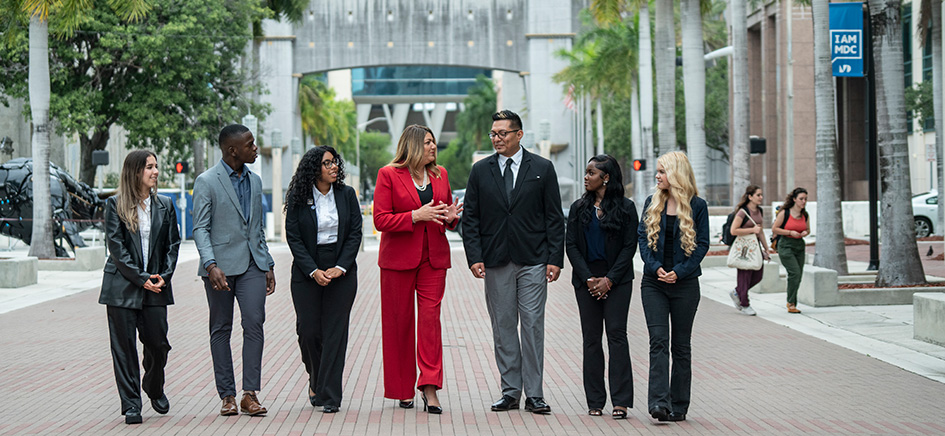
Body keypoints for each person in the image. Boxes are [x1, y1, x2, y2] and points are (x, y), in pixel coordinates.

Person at [462, 110, 565, 414]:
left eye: (503, 133)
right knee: (503, 326)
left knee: (532, 325)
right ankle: (510, 391)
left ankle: (534, 394)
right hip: (495, 261)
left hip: (534, 259)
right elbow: (471, 218)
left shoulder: (543, 169)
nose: (497, 139)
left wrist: (554, 258)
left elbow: (554, 217)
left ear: (519, 135)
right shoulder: (480, 171)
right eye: (494, 134)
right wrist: (475, 256)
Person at [374, 125, 462, 414]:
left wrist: (450, 218)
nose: (433, 147)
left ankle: (430, 388)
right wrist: (414, 215)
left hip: (433, 258)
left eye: (434, 142)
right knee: (398, 324)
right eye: (427, 143)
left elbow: (445, 213)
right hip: (398, 260)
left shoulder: (441, 174)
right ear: (412, 146)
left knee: (429, 323)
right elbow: (380, 219)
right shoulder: (389, 174)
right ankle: (402, 389)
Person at [193, 124, 276, 417]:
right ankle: (227, 395)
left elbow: (257, 228)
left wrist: (268, 263)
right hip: (220, 269)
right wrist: (210, 264)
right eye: (250, 145)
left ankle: (249, 394)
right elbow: (200, 228)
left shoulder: (254, 181)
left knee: (254, 324)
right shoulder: (206, 181)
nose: (255, 148)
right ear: (233, 150)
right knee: (221, 328)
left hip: (253, 264)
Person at [100, 150, 181, 425]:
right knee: (124, 349)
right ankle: (131, 404)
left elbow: (173, 245)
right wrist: (140, 277)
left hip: (156, 286)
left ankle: (154, 387)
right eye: (149, 167)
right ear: (135, 172)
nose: (155, 171)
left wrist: (164, 275)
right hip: (122, 287)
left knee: (159, 345)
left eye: (156, 166)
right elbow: (117, 249)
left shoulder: (166, 205)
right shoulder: (114, 205)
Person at [284, 146, 362, 414]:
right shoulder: (298, 196)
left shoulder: (346, 194)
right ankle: (316, 378)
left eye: (334, 162)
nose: (334, 167)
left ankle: (330, 396)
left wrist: (341, 266)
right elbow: (293, 237)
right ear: (313, 169)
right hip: (307, 270)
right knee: (308, 331)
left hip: (341, 268)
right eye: (327, 163)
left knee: (334, 334)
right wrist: (313, 270)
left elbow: (355, 233)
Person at [637, 151, 709, 423]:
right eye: (657, 171)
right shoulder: (651, 202)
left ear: (676, 174)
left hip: (685, 286)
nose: (657, 176)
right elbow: (642, 239)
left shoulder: (697, 206)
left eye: (662, 171)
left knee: (681, 346)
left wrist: (678, 273)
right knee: (658, 342)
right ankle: (658, 404)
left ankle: (679, 404)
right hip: (653, 284)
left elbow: (702, 245)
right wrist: (656, 268)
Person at [565, 155, 639, 419]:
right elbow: (571, 245)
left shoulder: (627, 208)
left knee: (617, 336)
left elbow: (630, 247)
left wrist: (609, 280)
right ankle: (595, 401)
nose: (586, 177)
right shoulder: (578, 208)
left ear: (605, 177)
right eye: (586, 172)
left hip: (617, 281)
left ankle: (621, 401)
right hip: (586, 280)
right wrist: (588, 278)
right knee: (591, 340)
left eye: (591, 173)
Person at [728, 185, 771, 316]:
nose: (761, 197)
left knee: (758, 275)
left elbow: (761, 231)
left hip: (755, 246)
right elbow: (733, 230)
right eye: (758, 195)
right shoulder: (743, 212)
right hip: (744, 248)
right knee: (744, 276)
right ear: (750, 196)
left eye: (761, 195)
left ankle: (737, 292)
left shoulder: (760, 211)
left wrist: (766, 248)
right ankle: (745, 304)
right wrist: (752, 230)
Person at [772, 187, 810, 314]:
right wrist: (790, 232)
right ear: (794, 199)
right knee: (795, 273)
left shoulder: (805, 214)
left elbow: (808, 229)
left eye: (805, 199)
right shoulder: (785, 213)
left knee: (798, 274)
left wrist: (805, 233)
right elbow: (775, 229)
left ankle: (792, 301)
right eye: (801, 199)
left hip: (799, 245)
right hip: (785, 245)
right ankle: (791, 303)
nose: (803, 201)